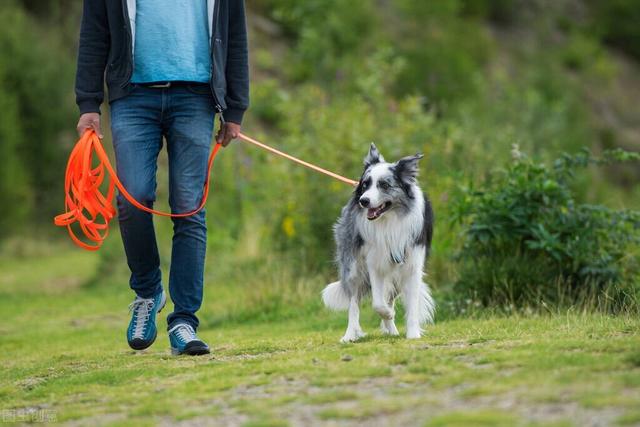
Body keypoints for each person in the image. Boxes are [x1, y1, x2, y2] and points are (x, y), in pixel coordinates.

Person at [74, 0, 249, 355]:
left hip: (196, 97)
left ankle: (184, 321)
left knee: (189, 208)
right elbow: (93, 34)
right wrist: (89, 103)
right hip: (132, 97)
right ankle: (147, 291)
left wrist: (235, 108)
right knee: (132, 199)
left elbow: (235, 37)